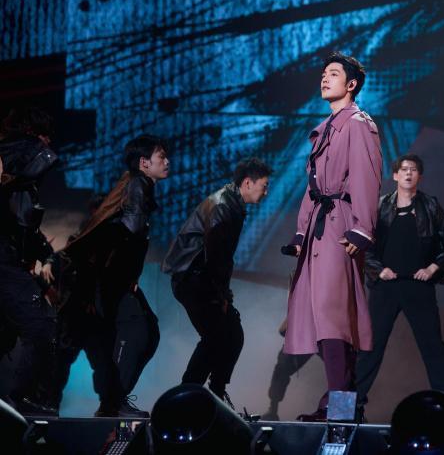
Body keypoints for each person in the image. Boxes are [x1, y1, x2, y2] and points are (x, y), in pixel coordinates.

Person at [283, 51, 382, 421]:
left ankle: (339, 409)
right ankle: (341, 405)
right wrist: (301, 231)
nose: (325, 78)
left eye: (334, 73)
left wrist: (362, 227)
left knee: (333, 318)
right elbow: (312, 189)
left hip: (340, 226)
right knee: (318, 318)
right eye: (324, 73)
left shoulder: (358, 124)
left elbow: (367, 177)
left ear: (352, 84)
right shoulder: (325, 128)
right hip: (318, 229)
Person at [63, 134, 169, 416]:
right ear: (144, 163)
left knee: (149, 331)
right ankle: (112, 404)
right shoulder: (137, 184)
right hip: (109, 278)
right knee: (137, 331)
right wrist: (122, 277)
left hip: (115, 277)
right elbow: (129, 231)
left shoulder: (138, 184)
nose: (167, 162)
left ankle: (114, 401)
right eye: (161, 157)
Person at [36, 193, 160, 415]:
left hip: (95, 310)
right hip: (78, 310)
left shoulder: (112, 236)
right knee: (65, 359)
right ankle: (49, 405)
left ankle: (109, 405)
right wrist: (50, 271)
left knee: (103, 361)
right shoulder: (84, 237)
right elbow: (73, 265)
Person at [162, 157, 271, 407]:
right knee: (216, 337)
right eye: (264, 186)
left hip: (202, 279)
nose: (266, 192)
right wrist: (220, 296)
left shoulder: (232, 203)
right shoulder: (223, 206)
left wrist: (223, 295)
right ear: (247, 183)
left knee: (232, 334)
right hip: (193, 278)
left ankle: (215, 393)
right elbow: (215, 257)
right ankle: (185, 399)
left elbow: (221, 258)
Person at [356, 154, 444, 410]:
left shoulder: (431, 206)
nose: (408, 173)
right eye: (403, 170)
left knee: (433, 346)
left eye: (413, 170)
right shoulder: (380, 206)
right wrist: (379, 270)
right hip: (386, 287)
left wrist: (432, 268)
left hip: (418, 286)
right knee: (369, 347)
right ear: (395, 176)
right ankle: (348, 408)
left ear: (419, 176)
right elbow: (363, 245)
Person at [0, 107, 58, 416]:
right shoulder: (14, 153)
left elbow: (26, 230)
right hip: (3, 263)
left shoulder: (20, 185)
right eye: (44, 137)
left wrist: (45, 258)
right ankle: (17, 402)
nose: (47, 144)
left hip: (10, 262)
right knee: (40, 326)